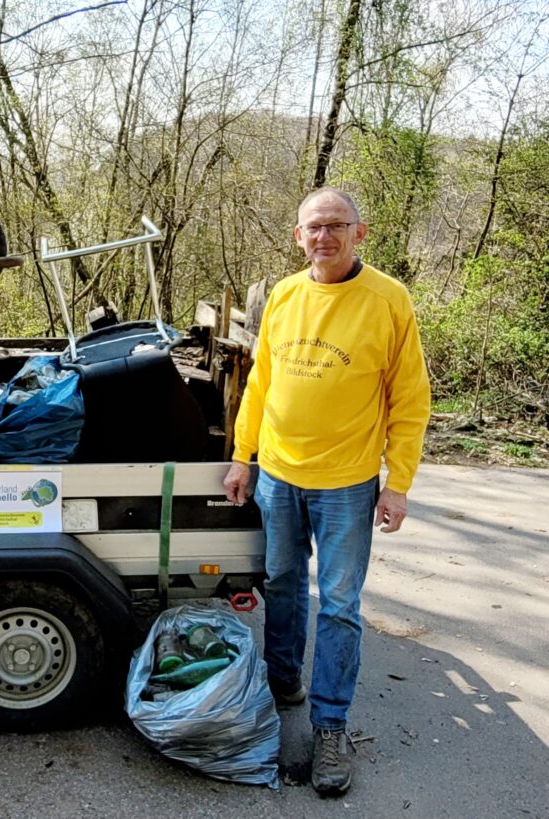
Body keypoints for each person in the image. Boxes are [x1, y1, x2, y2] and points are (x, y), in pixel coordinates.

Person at [222, 188, 430, 796]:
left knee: (339, 604)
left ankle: (331, 727)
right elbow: (260, 382)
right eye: (314, 228)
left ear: (359, 234)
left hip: (347, 483)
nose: (325, 237)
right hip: (280, 476)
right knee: (283, 583)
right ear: (298, 236)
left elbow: (410, 399)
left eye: (337, 226)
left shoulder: (389, 301)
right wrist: (243, 457)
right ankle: (283, 679)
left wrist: (400, 483)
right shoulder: (284, 295)